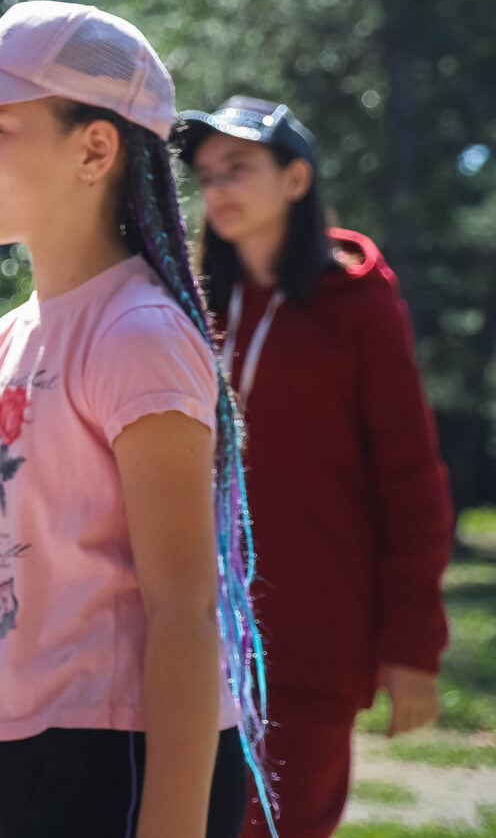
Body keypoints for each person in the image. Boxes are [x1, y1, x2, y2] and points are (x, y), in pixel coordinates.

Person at [0, 1, 270, 838]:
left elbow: (184, 613)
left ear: (95, 147)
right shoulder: (3, 342)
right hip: (26, 743)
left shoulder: (139, 335)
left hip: (127, 755)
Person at [178, 95, 452, 838]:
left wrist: (413, 647)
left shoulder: (358, 305)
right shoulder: (194, 302)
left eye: (239, 168)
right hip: (190, 631)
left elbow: (411, 480)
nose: (218, 189)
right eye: (206, 175)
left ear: (296, 179)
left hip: (310, 639)